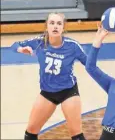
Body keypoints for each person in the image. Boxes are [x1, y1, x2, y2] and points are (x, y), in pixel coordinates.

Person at [11, 12, 87, 140]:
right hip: (47, 92)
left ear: (64, 27)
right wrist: (21, 49)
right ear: (46, 26)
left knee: (77, 135)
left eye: (59, 23)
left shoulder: (73, 46)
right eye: (52, 23)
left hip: (68, 92)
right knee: (30, 133)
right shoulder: (40, 42)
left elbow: (90, 65)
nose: (55, 26)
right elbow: (14, 45)